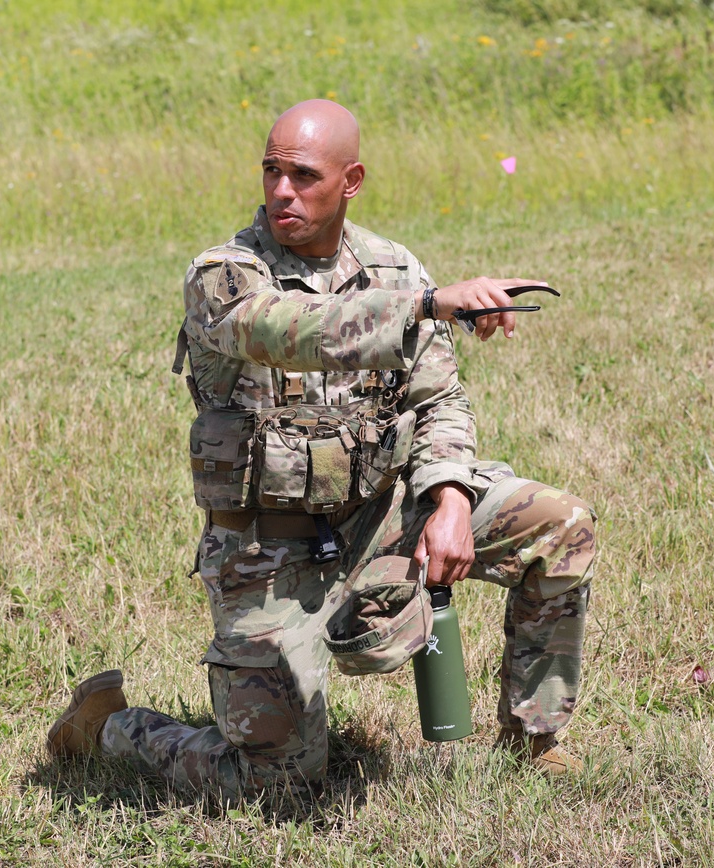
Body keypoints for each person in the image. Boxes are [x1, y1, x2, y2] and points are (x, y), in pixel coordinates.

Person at [47, 100, 597, 804]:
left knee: (558, 523)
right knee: (274, 785)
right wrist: (426, 305)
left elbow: (437, 401)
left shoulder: (393, 266)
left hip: (378, 517)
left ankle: (534, 741)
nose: (281, 190)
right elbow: (292, 329)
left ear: (351, 180)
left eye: (303, 175)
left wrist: (451, 499)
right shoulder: (224, 275)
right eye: (272, 170)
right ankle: (107, 727)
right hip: (270, 552)